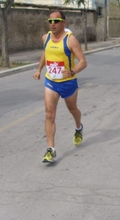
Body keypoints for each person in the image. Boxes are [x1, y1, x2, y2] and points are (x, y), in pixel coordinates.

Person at [33, 10, 87, 163]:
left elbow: (83, 62)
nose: (52, 24)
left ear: (63, 22)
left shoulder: (71, 40)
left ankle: (78, 127)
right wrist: (39, 70)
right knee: (49, 114)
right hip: (51, 81)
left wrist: (72, 71)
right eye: (50, 21)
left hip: (68, 82)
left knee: (72, 109)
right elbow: (45, 54)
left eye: (56, 21)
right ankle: (51, 150)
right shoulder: (46, 38)